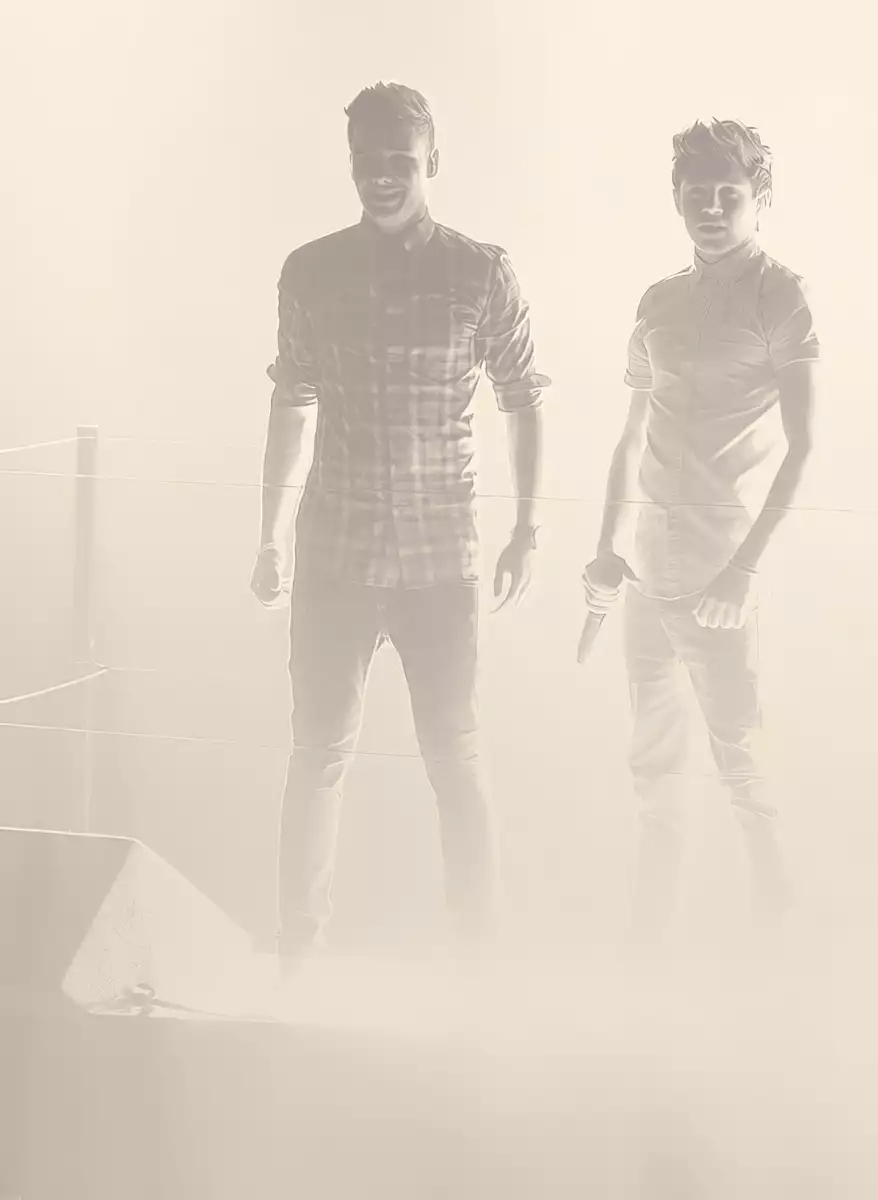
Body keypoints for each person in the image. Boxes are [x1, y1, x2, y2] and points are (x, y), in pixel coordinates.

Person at [254, 83, 548, 968]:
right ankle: (299, 957)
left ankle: (480, 960)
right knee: (317, 754)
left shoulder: (479, 272)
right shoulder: (311, 271)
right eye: (366, 162)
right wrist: (268, 533)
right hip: (335, 552)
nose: (382, 178)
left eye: (399, 162)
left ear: (431, 162)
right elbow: (293, 399)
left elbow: (523, 397)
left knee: (455, 755)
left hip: (439, 558)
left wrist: (528, 527)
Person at [582, 119, 818, 960]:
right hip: (648, 572)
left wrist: (746, 569)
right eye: (697, 195)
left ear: (760, 198)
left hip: (723, 571)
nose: (712, 210)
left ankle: (782, 942)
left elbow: (806, 447)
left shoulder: (781, 295)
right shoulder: (658, 301)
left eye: (729, 195)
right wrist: (607, 549)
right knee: (652, 766)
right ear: (676, 198)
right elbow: (630, 436)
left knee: (743, 760)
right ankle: (650, 946)